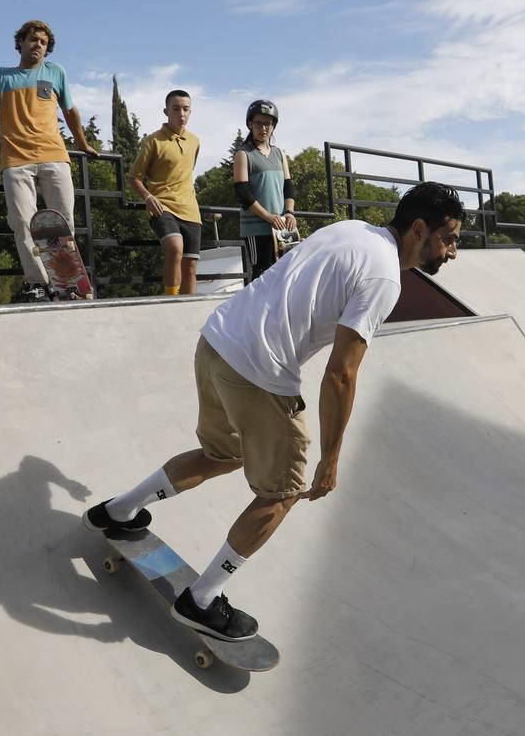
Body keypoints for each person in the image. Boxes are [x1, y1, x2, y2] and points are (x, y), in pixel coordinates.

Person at [84, 182, 464, 641]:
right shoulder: (385, 276)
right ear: (419, 230)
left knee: (222, 454)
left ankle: (120, 511)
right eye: (450, 238)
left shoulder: (351, 229)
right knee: (282, 494)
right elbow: (341, 374)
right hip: (259, 373)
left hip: (217, 341)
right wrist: (330, 458)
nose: (453, 251)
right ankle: (201, 600)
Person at [0, 20, 101, 302]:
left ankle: (68, 284)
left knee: (62, 223)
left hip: (54, 155)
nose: (37, 44)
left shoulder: (56, 73)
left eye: (42, 42)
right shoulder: (2, 76)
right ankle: (39, 283)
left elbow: (71, 111)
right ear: (21, 43)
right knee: (23, 223)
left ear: (47, 48)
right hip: (16, 159)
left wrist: (83, 143)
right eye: (32, 39)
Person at [131, 90, 203, 295]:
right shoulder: (153, 141)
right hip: (162, 206)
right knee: (174, 247)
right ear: (166, 111)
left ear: (190, 112)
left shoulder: (195, 141)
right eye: (176, 108)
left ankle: (189, 315)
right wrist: (148, 196)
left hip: (190, 209)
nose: (182, 113)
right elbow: (134, 177)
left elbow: (187, 172)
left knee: (190, 266)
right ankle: (171, 302)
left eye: (186, 109)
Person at [233, 99, 296, 280]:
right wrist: (267, 216)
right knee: (261, 275)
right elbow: (242, 192)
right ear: (250, 124)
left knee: (283, 274)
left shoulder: (279, 153)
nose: (263, 128)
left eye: (268, 124)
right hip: (256, 228)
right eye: (258, 123)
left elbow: (289, 187)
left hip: (281, 227)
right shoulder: (243, 154)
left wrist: (290, 212)